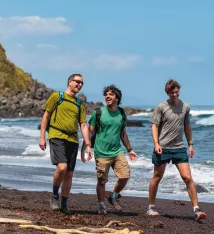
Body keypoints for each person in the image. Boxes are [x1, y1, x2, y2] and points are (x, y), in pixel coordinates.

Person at [147, 79, 207, 220]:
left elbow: (187, 126)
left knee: (187, 177)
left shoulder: (185, 107)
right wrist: (156, 143)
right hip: (163, 147)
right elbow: (154, 126)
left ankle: (196, 209)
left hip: (179, 147)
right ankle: (151, 207)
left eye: (176, 92)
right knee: (157, 177)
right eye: (172, 92)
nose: (174, 95)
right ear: (167, 93)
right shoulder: (161, 107)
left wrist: (190, 144)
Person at [39, 73, 93, 214]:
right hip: (57, 136)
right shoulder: (58, 96)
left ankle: (64, 202)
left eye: (82, 83)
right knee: (61, 168)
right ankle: (55, 195)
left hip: (73, 140)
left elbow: (83, 125)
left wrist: (88, 144)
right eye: (77, 82)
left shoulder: (79, 103)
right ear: (70, 82)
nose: (80, 85)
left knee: (69, 173)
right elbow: (46, 115)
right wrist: (42, 137)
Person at [85, 84, 137, 215]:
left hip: (117, 151)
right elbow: (89, 132)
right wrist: (87, 148)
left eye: (111, 94)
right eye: (106, 94)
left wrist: (130, 149)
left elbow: (123, 134)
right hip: (101, 152)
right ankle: (102, 206)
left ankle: (113, 196)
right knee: (102, 181)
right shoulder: (98, 112)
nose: (107, 96)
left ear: (117, 98)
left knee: (125, 175)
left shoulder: (121, 113)